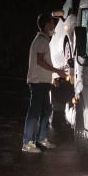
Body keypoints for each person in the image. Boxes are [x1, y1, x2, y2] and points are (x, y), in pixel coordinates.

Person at [22, 13, 65, 153]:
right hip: (37, 82)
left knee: (47, 110)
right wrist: (56, 71)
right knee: (34, 113)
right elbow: (40, 61)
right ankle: (28, 143)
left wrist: (54, 74)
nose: (54, 27)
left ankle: (42, 138)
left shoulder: (44, 40)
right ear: (47, 25)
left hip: (43, 82)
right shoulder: (41, 40)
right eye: (52, 24)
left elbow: (44, 62)